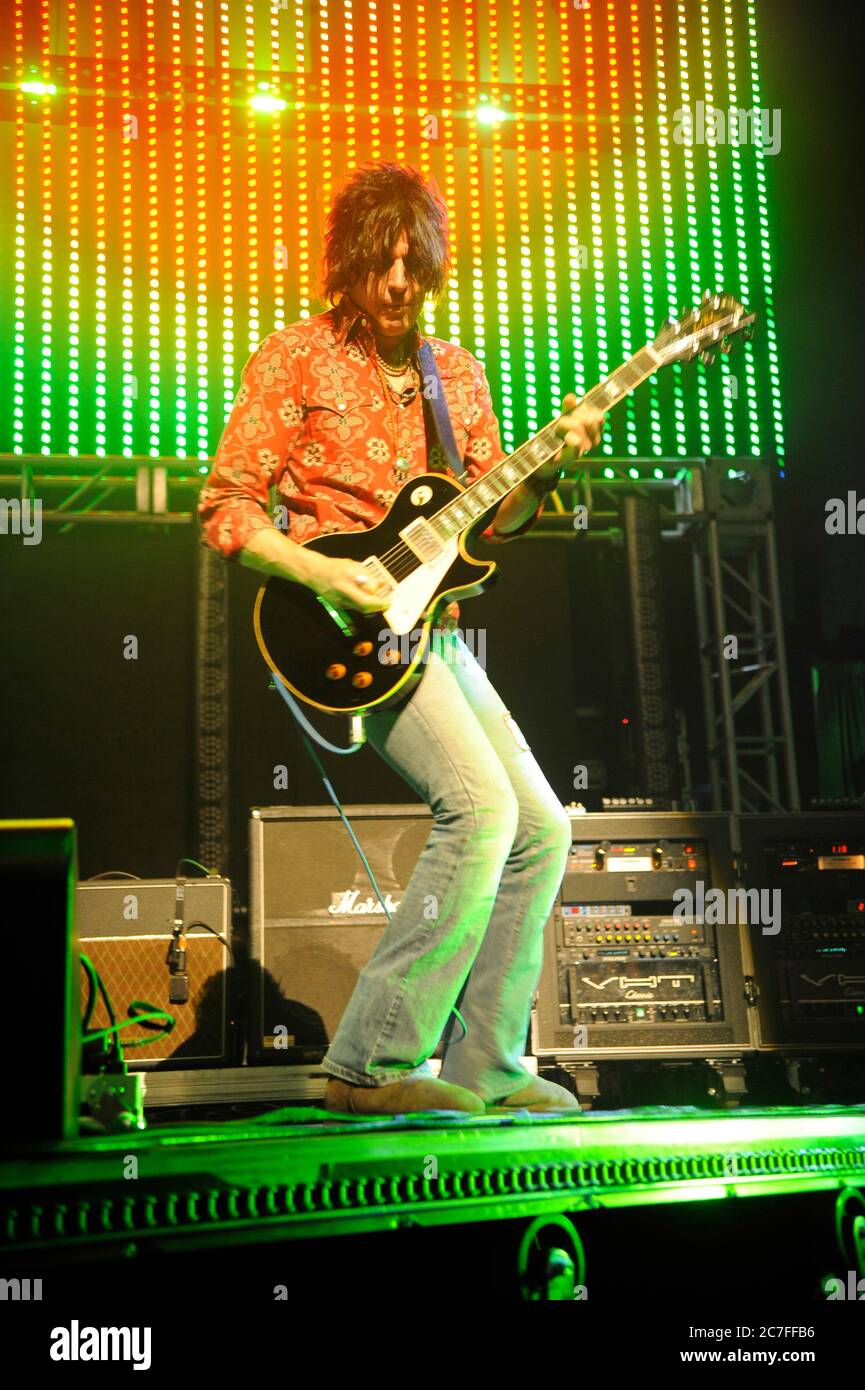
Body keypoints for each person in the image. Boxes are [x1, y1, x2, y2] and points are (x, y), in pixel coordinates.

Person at [198, 162, 605, 1114]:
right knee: (481, 812)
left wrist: (549, 468)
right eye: (378, 265)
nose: (395, 285)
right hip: (338, 627)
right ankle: (372, 1065)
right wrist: (322, 572)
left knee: (544, 828)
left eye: (411, 266)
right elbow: (227, 507)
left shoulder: (452, 373)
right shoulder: (296, 356)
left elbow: (492, 526)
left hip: (436, 631)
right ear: (347, 263)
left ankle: (488, 1064)